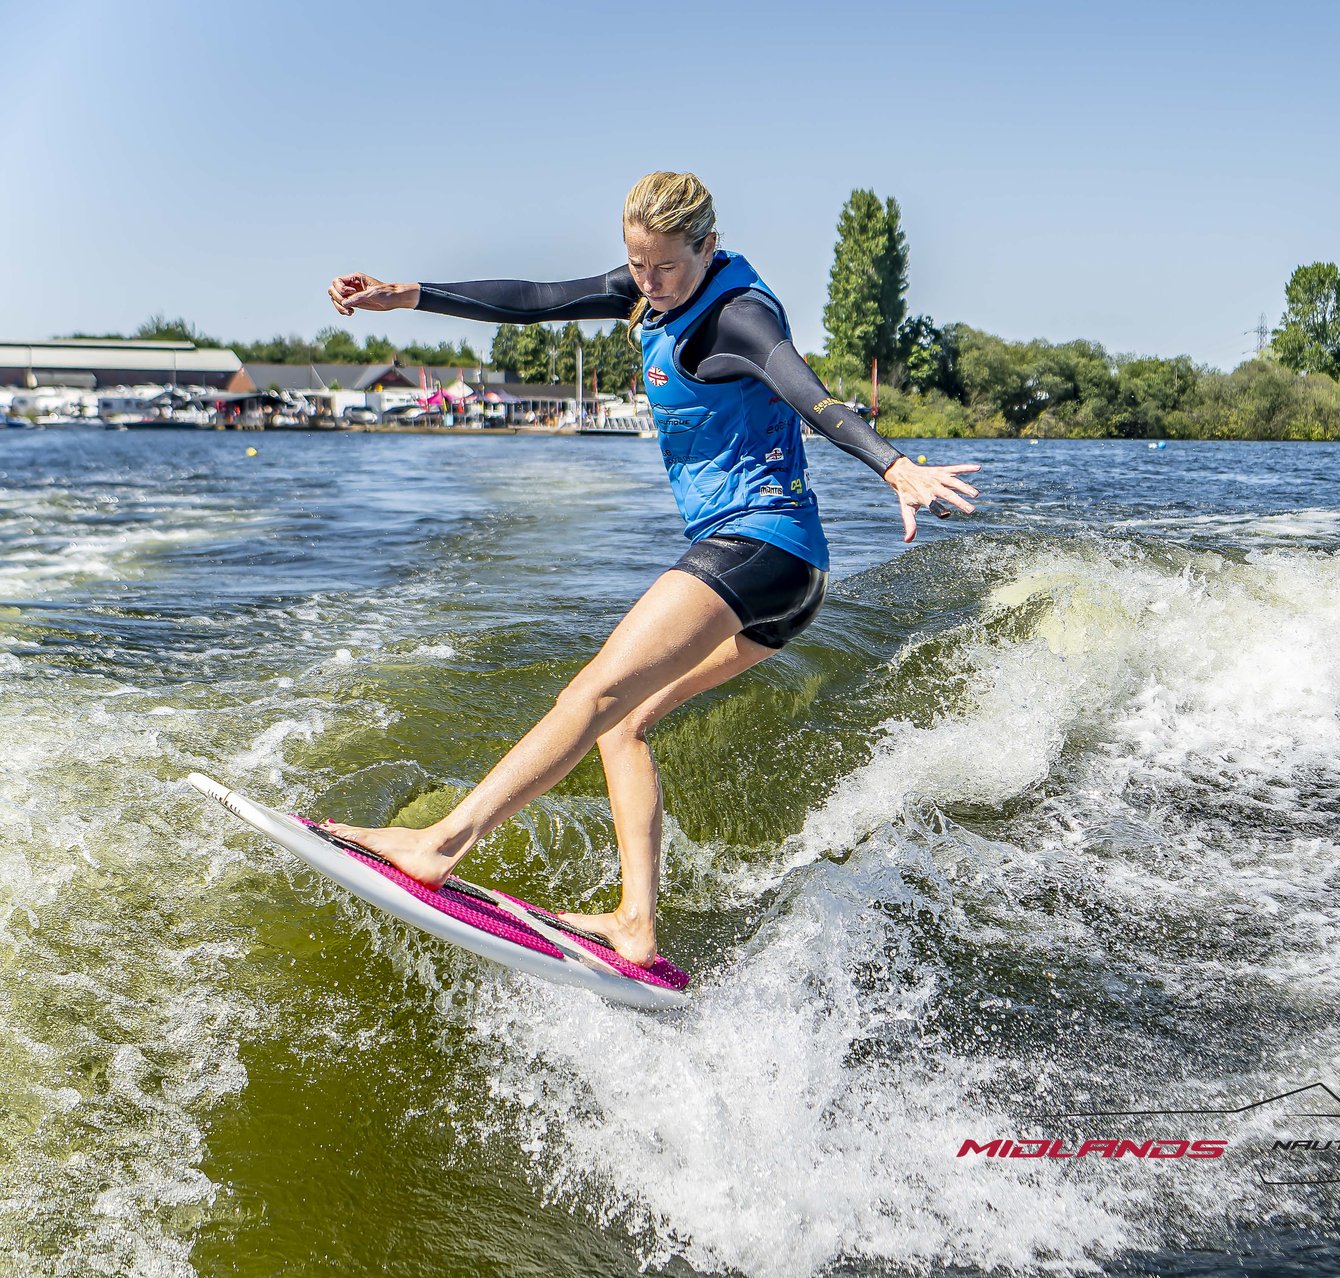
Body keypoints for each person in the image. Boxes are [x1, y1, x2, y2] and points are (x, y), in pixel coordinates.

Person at [319, 171, 981, 967]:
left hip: (758, 548)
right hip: (786, 573)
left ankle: (442, 842)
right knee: (622, 724)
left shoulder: (738, 316)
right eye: (636, 265)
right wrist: (407, 294)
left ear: (708, 245)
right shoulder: (649, 289)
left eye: (666, 267)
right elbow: (533, 298)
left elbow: (811, 394)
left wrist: (892, 465)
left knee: (590, 693)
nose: (649, 283)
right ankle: (636, 922)